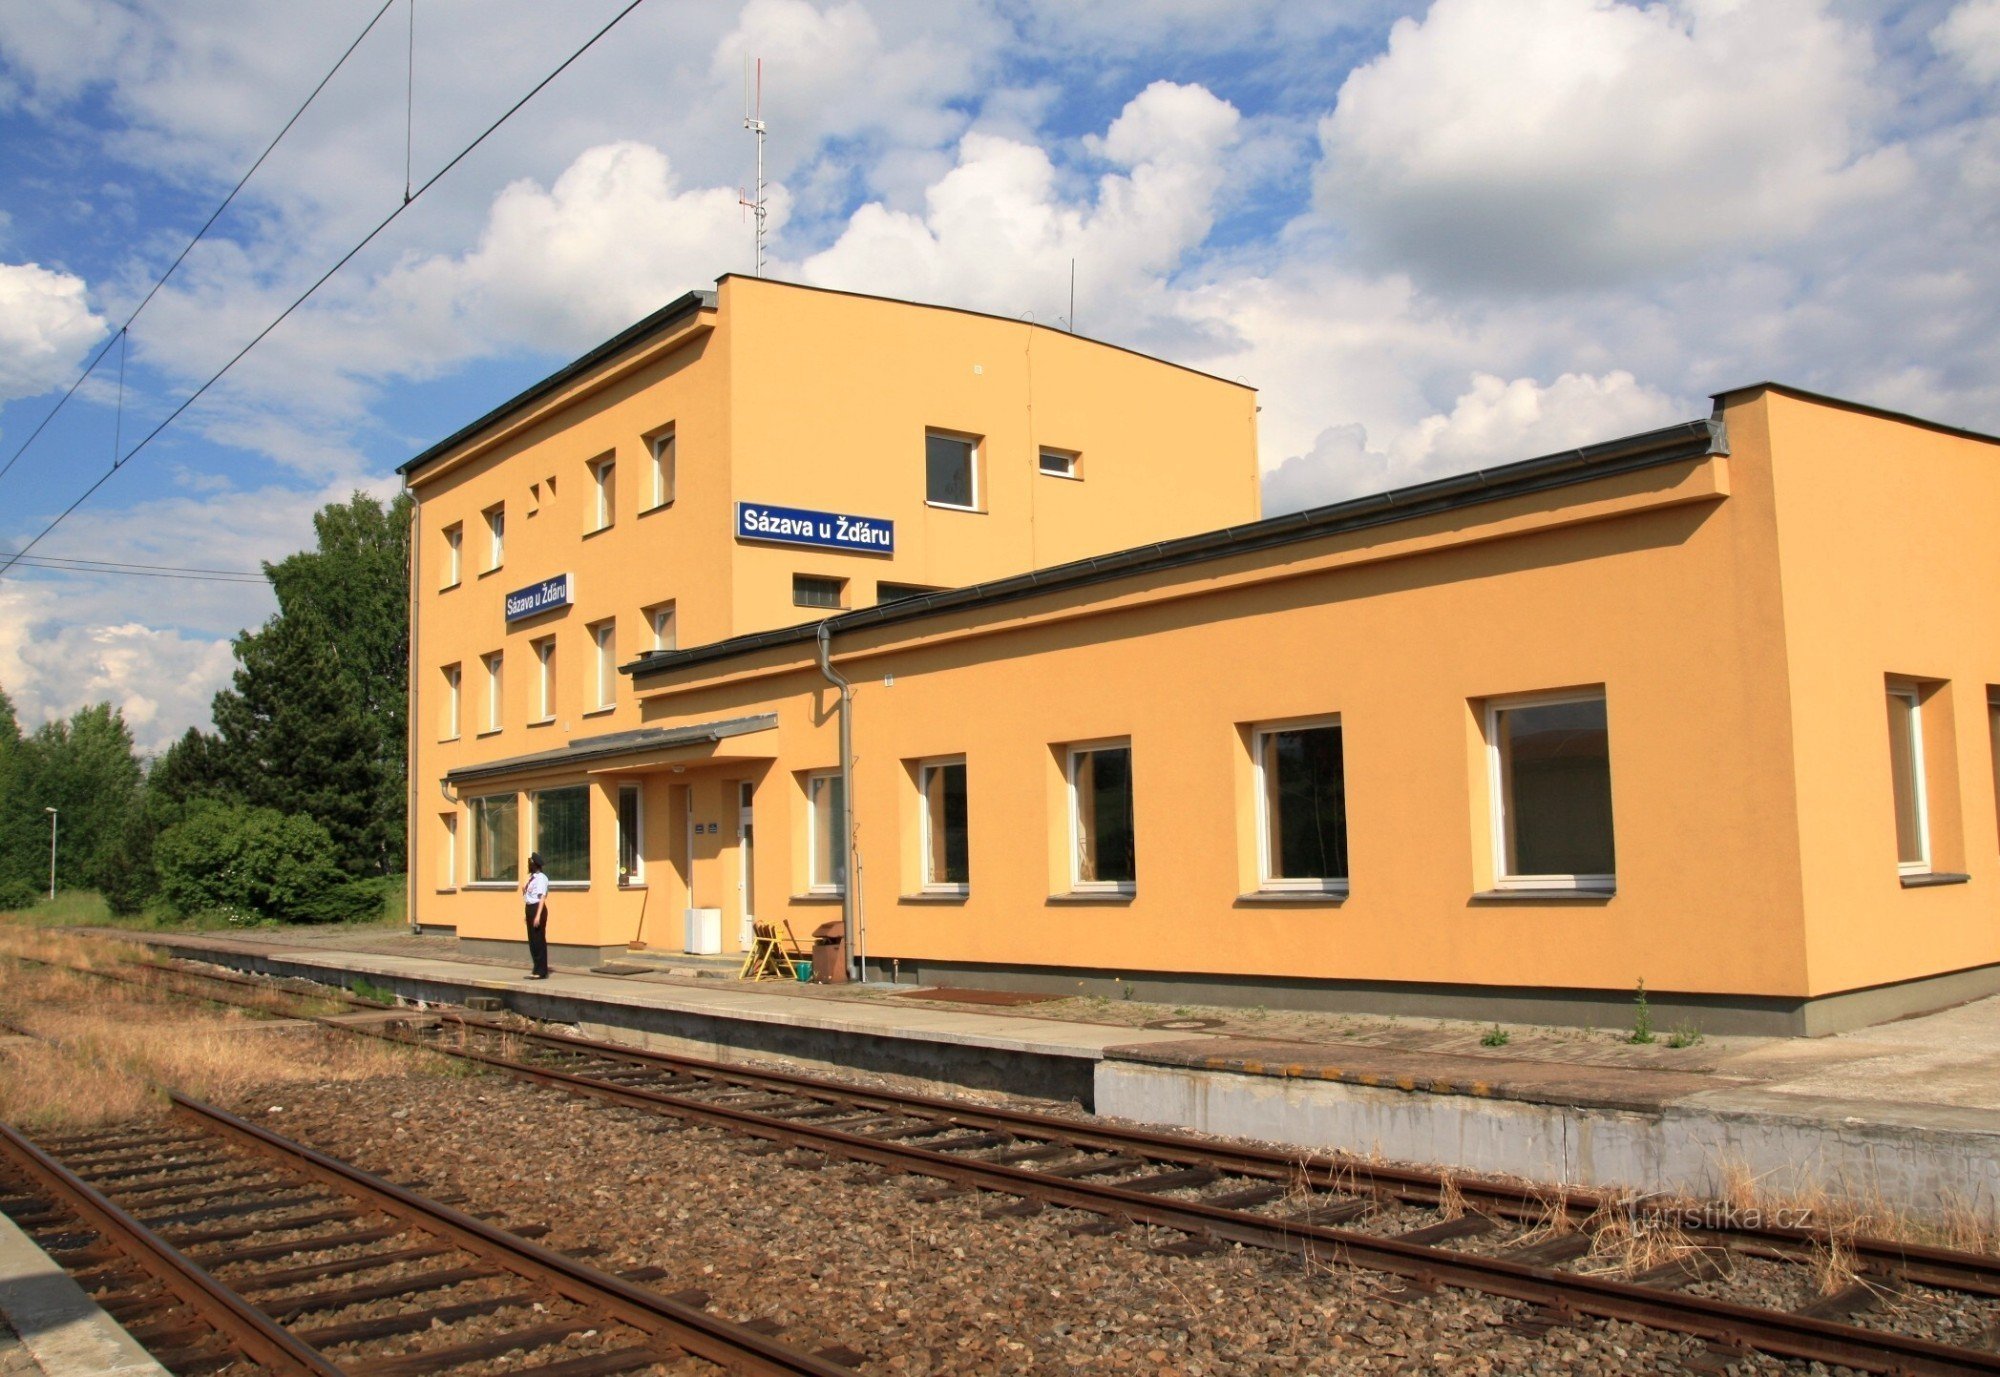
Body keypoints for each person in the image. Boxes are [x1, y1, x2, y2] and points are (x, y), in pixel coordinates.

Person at [522, 852, 550, 979]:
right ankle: (536, 968)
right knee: (532, 941)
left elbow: (541, 897)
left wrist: (537, 916)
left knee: (538, 940)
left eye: (531, 863)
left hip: (537, 908)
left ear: (535, 865)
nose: (529, 865)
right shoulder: (532, 877)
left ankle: (541, 971)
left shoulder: (541, 878)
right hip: (530, 908)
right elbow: (529, 896)